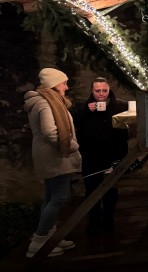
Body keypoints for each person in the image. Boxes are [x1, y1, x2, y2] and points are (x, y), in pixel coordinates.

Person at [24, 68, 81, 258]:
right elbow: (50, 132)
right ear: (54, 84)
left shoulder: (49, 101)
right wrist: (72, 145)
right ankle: (39, 242)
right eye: (63, 82)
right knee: (59, 197)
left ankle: (48, 235)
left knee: (50, 196)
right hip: (54, 156)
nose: (67, 86)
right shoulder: (46, 104)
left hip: (50, 155)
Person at [72, 77, 129, 235]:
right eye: (98, 91)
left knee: (111, 190)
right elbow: (74, 123)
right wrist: (86, 111)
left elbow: (127, 127)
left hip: (113, 155)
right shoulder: (83, 107)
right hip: (91, 156)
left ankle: (109, 221)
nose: (101, 94)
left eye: (104, 90)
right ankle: (93, 223)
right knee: (92, 190)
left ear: (109, 90)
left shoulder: (119, 106)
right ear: (92, 91)